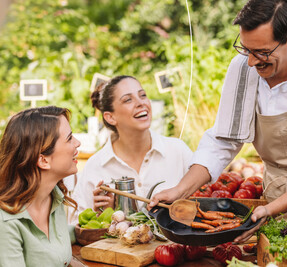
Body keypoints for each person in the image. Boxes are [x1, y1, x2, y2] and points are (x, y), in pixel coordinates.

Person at [149, 0, 287, 237]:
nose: (251, 61)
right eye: (245, 49)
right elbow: (224, 140)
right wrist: (180, 190)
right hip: (275, 200)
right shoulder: (242, 68)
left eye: (262, 52)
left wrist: (270, 209)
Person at [70, 75, 192, 222]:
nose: (141, 103)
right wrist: (103, 215)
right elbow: (79, 228)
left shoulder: (178, 151)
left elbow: (206, 204)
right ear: (110, 117)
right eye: (128, 100)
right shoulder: (95, 167)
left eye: (143, 95)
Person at [0, 106, 81, 266]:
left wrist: (90, 232)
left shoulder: (54, 196)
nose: (78, 143)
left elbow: (53, 248)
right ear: (43, 160)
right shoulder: (6, 224)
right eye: (70, 138)